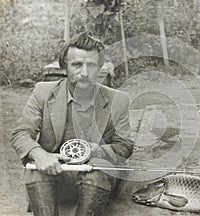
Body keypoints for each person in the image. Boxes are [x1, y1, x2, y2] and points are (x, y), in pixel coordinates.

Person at [11, 31, 134, 216]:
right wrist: (40, 154)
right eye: (77, 65)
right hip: (55, 175)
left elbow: (124, 146)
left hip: (96, 177)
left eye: (91, 65)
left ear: (100, 67)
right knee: (35, 171)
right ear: (65, 67)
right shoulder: (43, 92)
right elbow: (21, 133)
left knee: (97, 173)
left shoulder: (119, 100)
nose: (84, 72)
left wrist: (99, 151)